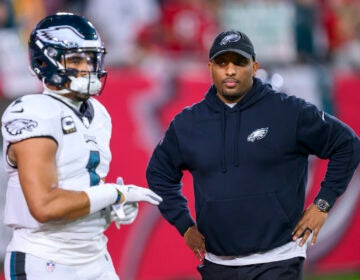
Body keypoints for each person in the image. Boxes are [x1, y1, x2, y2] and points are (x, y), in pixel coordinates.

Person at [146, 29, 360, 280]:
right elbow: (158, 173)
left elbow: (347, 144)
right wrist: (184, 225)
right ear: (210, 67)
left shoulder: (287, 111)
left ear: (254, 66)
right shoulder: (188, 123)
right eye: (222, 62)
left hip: (277, 260)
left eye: (239, 62)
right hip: (217, 263)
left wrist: (322, 204)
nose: (230, 70)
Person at [1, 13, 162, 280]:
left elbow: (79, 188)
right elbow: (45, 206)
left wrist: (108, 210)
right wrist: (114, 194)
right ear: (45, 61)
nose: (88, 67)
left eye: (91, 58)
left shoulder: (98, 113)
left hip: (95, 257)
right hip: (46, 260)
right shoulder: (33, 111)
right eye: (76, 59)